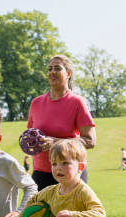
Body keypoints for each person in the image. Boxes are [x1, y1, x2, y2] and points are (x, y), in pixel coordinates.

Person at [27, 54, 96, 191]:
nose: (52, 72)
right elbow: (31, 135)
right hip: (41, 173)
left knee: (68, 213)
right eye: (49, 69)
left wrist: (56, 142)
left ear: (68, 73)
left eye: (57, 68)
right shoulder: (36, 103)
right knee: (35, 213)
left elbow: (90, 141)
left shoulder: (77, 102)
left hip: (70, 173)